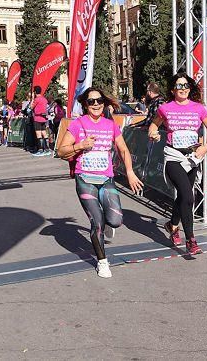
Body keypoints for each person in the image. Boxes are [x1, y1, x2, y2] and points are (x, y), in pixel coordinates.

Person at [58, 87, 144, 278]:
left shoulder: (110, 125)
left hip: (106, 180)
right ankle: (102, 261)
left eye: (99, 101)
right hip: (85, 179)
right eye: (91, 101)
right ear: (85, 105)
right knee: (96, 222)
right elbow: (61, 151)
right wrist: (81, 145)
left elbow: (123, 149)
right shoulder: (78, 124)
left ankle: (107, 224)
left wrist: (130, 172)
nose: (95, 104)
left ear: (104, 103)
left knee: (116, 220)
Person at [148, 71, 207, 255]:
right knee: (188, 196)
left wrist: (206, 147)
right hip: (173, 156)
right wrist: (153, 134)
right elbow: (153, 126)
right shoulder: (166, 108)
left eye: (186, 85)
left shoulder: (199, 108)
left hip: (193, 157)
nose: (183, 89)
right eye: (179, 86)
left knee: (183, 197)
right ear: (172, 90)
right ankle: (191, 240)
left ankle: (172, 224)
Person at [32, 86, 50, 156]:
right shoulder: (44, 99)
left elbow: (31, 107)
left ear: (35, 92)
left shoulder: (36, 99)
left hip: (37, 118)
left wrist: (33, 98)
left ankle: (40, 150)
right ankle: (47, 149)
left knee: (38, 134)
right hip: (44, 118)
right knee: (44, 133)